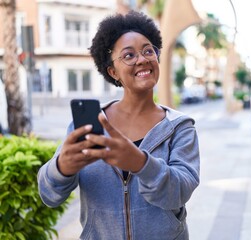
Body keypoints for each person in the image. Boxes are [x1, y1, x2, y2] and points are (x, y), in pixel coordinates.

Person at [37, 11, 200, 240]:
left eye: (148, 50)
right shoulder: (88, 124)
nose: (142, 59)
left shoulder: (179, 128)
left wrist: (140, 163)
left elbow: (180, 192)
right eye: (129, 55)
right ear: (113, 72)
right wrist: (62, 167)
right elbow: (49, 196)